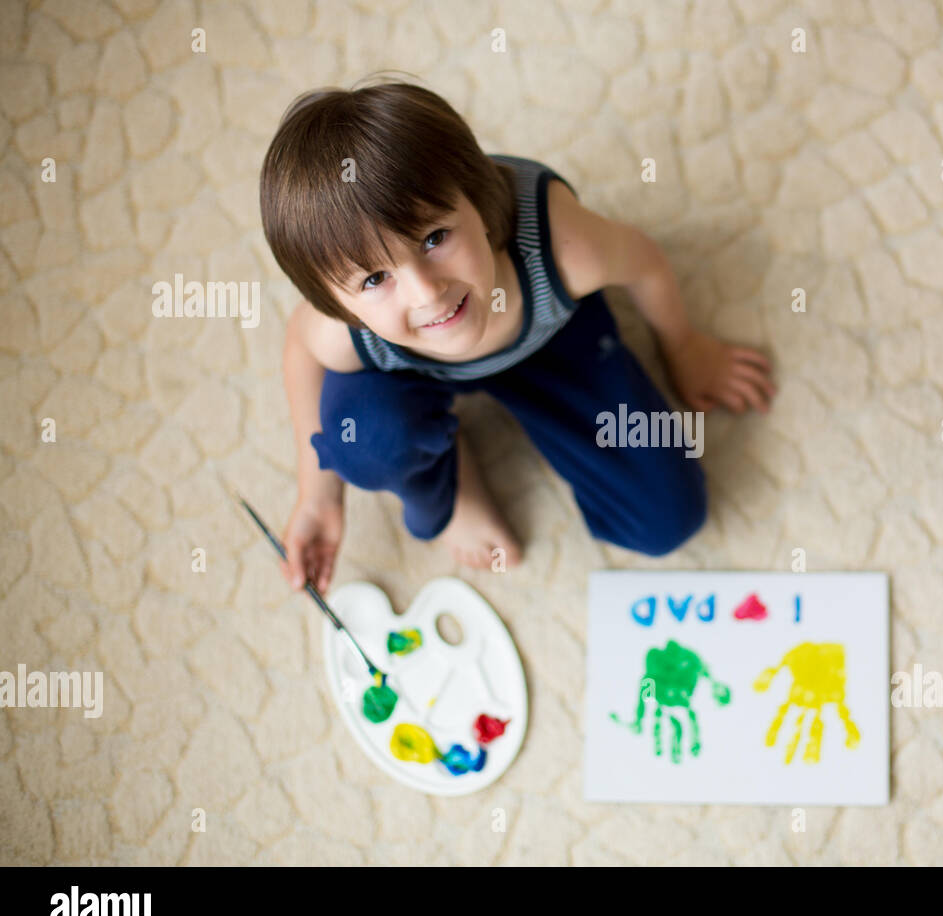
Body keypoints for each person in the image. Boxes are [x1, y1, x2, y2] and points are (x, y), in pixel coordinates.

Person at [259, 78, 777, 594]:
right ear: (339, 306)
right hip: (412, 373)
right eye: (374, 280)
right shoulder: (345, 330)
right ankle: (450, 488)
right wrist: (318, 496)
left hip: (552, 340)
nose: (426, 293)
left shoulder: (564, 244)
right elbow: (302, 350)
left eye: (435, 238)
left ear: (481, 208)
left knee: (667, 519)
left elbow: (645, 263)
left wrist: (684, 347)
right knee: (364, 440)